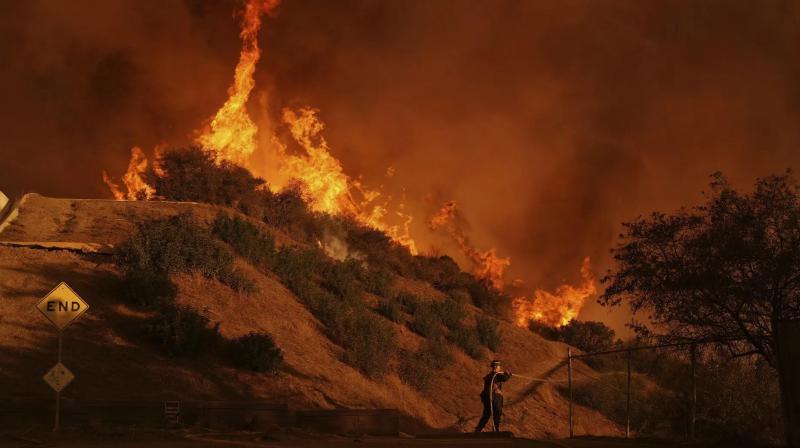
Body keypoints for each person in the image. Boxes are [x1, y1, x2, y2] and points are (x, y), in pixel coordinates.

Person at [474, 359, 513, 432]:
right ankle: (495, 429)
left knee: (487, 414)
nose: (496, 367)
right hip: (495, 397)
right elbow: (504, 378)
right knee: (497, 413)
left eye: (496, 366)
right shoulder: (496, 375)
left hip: (487, 398)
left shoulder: (489, 376)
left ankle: (478, 429)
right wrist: (508, 374)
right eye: (496, 366)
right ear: (497, 367)